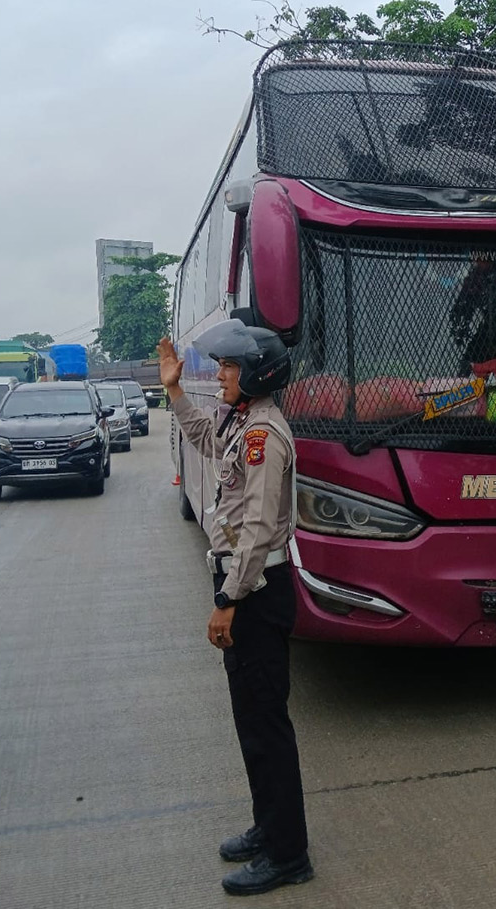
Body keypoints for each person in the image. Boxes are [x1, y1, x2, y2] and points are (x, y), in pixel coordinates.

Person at [157, 322, 312, 897]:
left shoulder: (264, 435)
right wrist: (173, 390)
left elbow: (258, 529)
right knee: (252, 720)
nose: (218, 376)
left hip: (256, 592)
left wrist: (227, 599)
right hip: (246, 590)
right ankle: (268, 828)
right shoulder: (240, 422)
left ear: (255, 374)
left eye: (226, 368)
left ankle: (288, 854)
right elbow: (202, 438)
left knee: (267, 723)